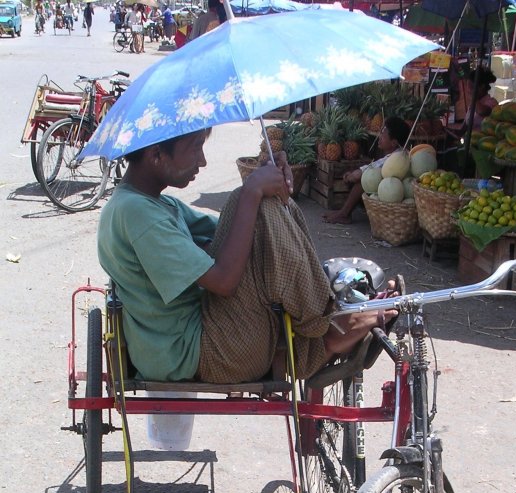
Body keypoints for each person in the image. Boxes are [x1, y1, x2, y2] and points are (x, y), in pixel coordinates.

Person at [97, 130, 395, 385]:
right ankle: (327, 326)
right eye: (194, 148)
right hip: (196, 352)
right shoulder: (137, 213)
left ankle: (324, 311)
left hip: (199, 334)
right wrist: (254, 191)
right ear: (155, 154)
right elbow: (225, 281)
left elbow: (249, 234)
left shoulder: (153, 204)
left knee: (257, 207)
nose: (202, 160)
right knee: (253, 201)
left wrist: (273, 189)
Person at [322, 115, 410, 225]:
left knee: (362, 180)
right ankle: (343, 212)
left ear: (393, 142)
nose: (379, 136)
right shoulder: (400, 153)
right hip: (390, 190)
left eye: (383, 134)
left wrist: (352, 176)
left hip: (392, 194)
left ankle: (344, 214)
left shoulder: (397, 157)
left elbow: (368, 172)